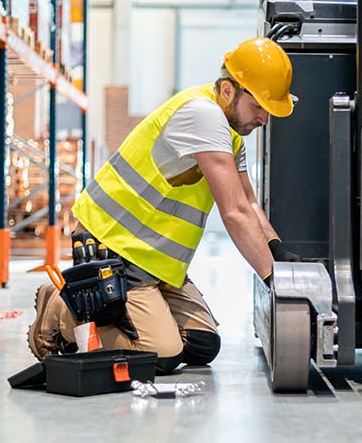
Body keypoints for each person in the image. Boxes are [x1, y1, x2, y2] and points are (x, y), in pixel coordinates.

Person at [28, 37, 301, 374]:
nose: (264, 118)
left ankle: (128, 312)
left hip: (156, 263)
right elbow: (234, 213)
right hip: (116, 245)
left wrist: (276, 250)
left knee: (202, 343)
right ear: (229, 90)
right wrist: (272, 278)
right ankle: (60, 310)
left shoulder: (231, 135)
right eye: (259, 106)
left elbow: (248, 202)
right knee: (163, 354)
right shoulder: (204, 115)